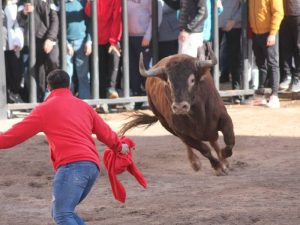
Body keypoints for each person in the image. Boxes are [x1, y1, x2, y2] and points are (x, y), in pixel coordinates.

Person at [0, 69, 131, 225]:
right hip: (92, 168)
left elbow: (10, 138)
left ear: (48, 87)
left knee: (62, 214)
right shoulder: (84, 106)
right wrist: (119, 147)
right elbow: (105, 133)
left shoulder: (43, 110)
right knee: (61, 212)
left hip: (72, 168)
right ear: (69, 86)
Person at [17, 0, 59, 102]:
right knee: (37, 72)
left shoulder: (51, 2)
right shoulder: (25, 2)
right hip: (34, 42)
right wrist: (24, 13)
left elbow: (55, 20)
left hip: (50, 39)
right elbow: (20, 21)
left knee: (53, 62)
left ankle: (53, 93)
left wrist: (50, 38)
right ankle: (41, 98)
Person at [248, 0, 284, 108]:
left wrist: (273, 33)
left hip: (268, 33)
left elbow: (278, 12)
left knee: (272, 63)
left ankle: (274, 96)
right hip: (256, 33)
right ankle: (261, 94)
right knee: (260, 64)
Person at [85, 0, 122, 100]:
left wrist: (114, 40)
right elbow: (89, 14)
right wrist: (89, 3)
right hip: (97, 38)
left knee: (114, 61)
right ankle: (100, 97)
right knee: (99, 68)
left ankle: (111, 89)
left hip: (111, 37)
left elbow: (117, 18)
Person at [65, 0, 92, 99]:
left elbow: (90, 23)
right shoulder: (62, 4)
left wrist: (89, 41)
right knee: (67, 74)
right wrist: (65, 43)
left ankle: (85, 100)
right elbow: (59, 26)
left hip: (81, 42)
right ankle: (68, 100)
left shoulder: (83, 3)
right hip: (67, 43)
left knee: (83, 74)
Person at [219, 0, 242, 103]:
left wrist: (234, 21)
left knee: (235, 58)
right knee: (211, 59)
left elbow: (245, 6)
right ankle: (210, 92)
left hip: (234, 26)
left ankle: (236, 92)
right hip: (215, 25)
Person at [3, 0, 24, 103]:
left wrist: (18, 41)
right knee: (3, 74)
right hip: (2, 45)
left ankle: (14, 94)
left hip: (11, 45)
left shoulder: (16, 5)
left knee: (16, 73)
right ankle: (5, 99)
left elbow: (18, 25)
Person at [278, 0, 300, 92]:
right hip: (282, 14)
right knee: (285, 47)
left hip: (297, 13)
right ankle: (287, 75)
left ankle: (297, 77)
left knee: (298, 46)